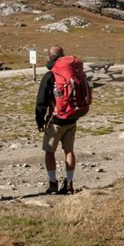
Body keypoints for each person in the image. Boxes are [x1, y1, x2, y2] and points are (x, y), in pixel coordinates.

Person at [35, 45, 78, 195]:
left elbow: (41, 101)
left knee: (49, 152)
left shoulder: (50, 75)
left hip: (55, 120)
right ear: (63, 55)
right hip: (72, 119)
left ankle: (53, 183)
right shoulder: (72, 72)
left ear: (49, 57)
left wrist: (40, 121)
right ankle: (69, 183)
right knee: (69, 151)